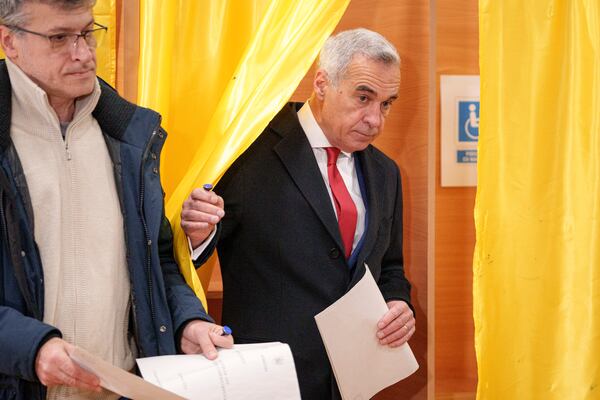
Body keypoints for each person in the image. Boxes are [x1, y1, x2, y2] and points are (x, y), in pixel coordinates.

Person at [0, 1, 230, 399]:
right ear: (10, 42)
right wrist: (31, 348)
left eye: (88, 33)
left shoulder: (129, 136)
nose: (84, 54)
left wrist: (186, 323)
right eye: (59, 38)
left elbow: (155, 263)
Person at [182, 28, 415, 399]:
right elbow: (193, 249)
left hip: (352, 381)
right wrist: (197, 231)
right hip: (269, 376)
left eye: (386, 103)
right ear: (322, 83)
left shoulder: (386, 172)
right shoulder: (248, 149)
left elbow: (389, 268)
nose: (376, 120)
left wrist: (398, 303)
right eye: (363, 97)